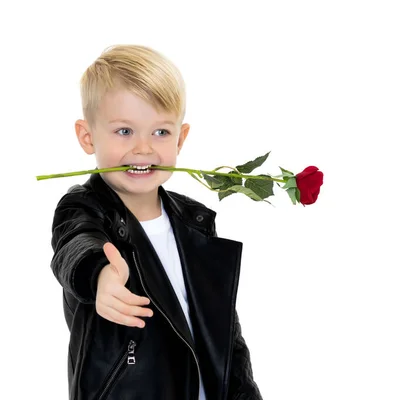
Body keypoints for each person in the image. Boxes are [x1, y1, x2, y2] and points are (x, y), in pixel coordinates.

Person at [49, 44, 262, 400]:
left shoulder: (194, 221)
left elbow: (224, 333)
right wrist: (100, 275)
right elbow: (76, 243)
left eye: (161, 132)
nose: (144, 149)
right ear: (88, 137)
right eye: (124, 131)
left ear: (181, 137)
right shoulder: (84, 208)